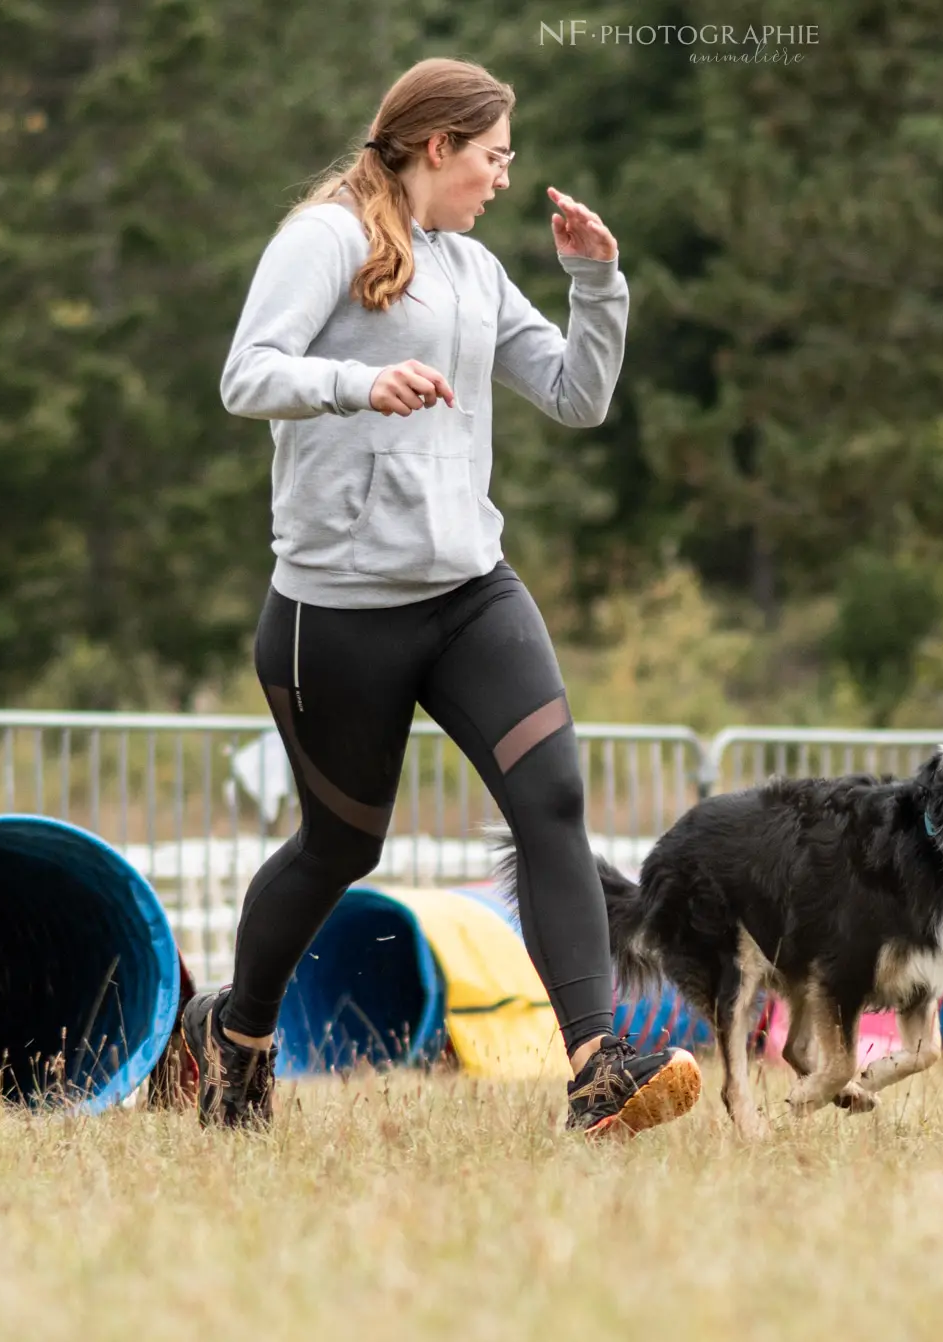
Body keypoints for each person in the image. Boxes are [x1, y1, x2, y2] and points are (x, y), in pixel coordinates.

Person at [182, 56, 702, 1137]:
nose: (503, 180)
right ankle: (235, 1043)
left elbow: (575, 396)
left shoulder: (471, 268)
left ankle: (597, 1067)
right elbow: (247, 373)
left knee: (552, 804)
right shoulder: (324, 237)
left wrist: (596, 284)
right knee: (338, 848)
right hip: (336, 611)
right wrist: (354, 383)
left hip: (470, 591)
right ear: (437, 148)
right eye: (493, 157)